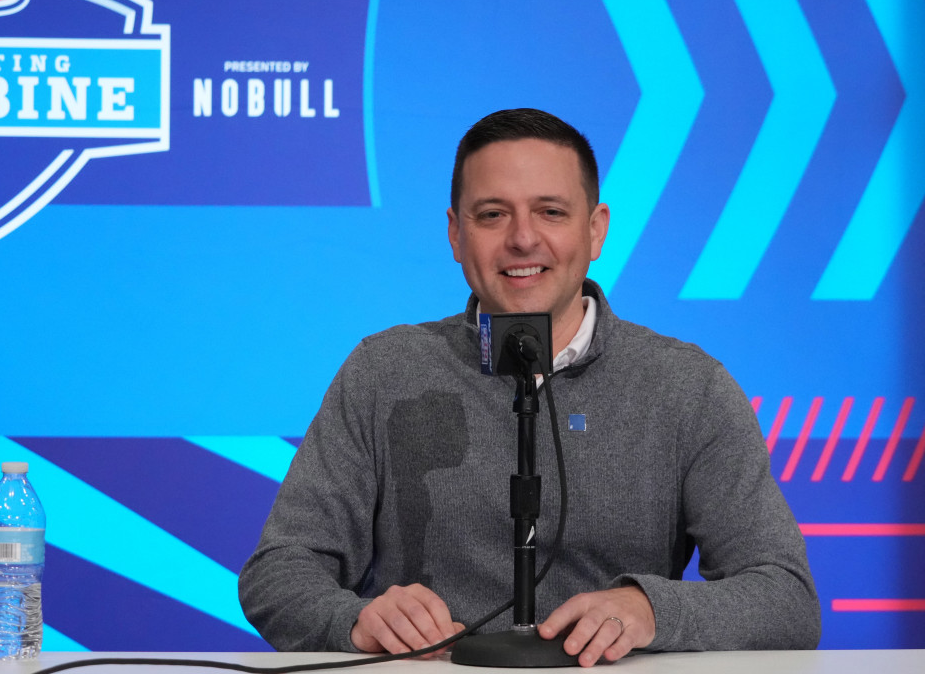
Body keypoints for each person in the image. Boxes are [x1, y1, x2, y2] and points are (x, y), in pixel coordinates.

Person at [238, 108, 820, 666]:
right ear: (456, 234)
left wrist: (650, 610)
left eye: (551, 212)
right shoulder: (384, 371)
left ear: (595, 230)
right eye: (492, 214)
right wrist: (353, 620)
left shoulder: (687, 387)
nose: (522, 239)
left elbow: (786, 597)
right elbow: (278, 571)